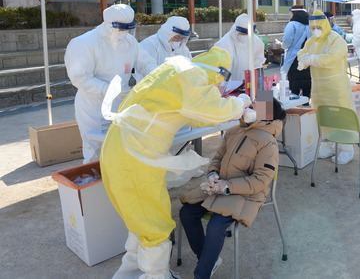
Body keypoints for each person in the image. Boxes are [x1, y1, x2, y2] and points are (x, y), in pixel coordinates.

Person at [100, 47, 252, 279]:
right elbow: (216, 112)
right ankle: (155, 274)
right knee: (154, 220)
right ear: (218, 74)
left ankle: (132, 270)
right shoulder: (192, 80)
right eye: (221, 82)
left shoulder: (174, 70)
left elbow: (187, 111)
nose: (219, 87)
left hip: (116, 149)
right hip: (134, 159)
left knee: (137, 214)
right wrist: (240, 103)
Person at [179, 96, 286, 279]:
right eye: (250, 104)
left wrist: (226, 187)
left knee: (216, 225)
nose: (247, 107)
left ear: (266, 117)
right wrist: (213, 175)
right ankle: (207, 260)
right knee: (186, 213)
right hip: (218, 188)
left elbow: (260, 181)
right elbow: (218, 158)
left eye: (253, 106)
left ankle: (201, 273)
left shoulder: (268, 142)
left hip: (245, 195)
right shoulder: (233, 131)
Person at [64, 4, 156, 164]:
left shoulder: (129, 41)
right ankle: (94, 187)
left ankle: (117, 186)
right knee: (96, 151)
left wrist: (157, 75)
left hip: (121, 105)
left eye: (128, 29)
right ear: (107, 24)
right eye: (120, 29)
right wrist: (111, 90)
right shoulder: (84, 43)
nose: (123, 33)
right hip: (93, 109)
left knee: (120, 150)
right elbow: (80, 78)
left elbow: (145, 63)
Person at [297, 10, 354, 164]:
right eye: (313, 27)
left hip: (336, 87)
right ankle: (328, 145)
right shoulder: (311, 41)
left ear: (325, 25)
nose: (316, 30)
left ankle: (346, 149)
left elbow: (332, 58)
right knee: (323, 118)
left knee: (341, 117)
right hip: (318, 87)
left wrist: (312, 59)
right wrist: (303, 60)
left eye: (319, 27)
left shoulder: (336, 40)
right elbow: (302, 53)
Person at [214, 13, 265, 80]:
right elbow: (220, 69)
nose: (245, 36)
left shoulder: (256, 42)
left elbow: (258, 63)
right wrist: (229, 83)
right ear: (236, 30)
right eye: (242, 34)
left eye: (247, 34)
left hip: (249, 84)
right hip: (230, 85)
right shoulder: (224, 44)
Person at [281, 5, 312, 97]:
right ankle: (306, 105)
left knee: (295, 84)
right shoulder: (311, 23)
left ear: (293, 13)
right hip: (308, 57)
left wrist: (283, 46)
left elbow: (286, 42)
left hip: (294, 58)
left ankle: (296, 105)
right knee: (307, 82)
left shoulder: (292, 24)